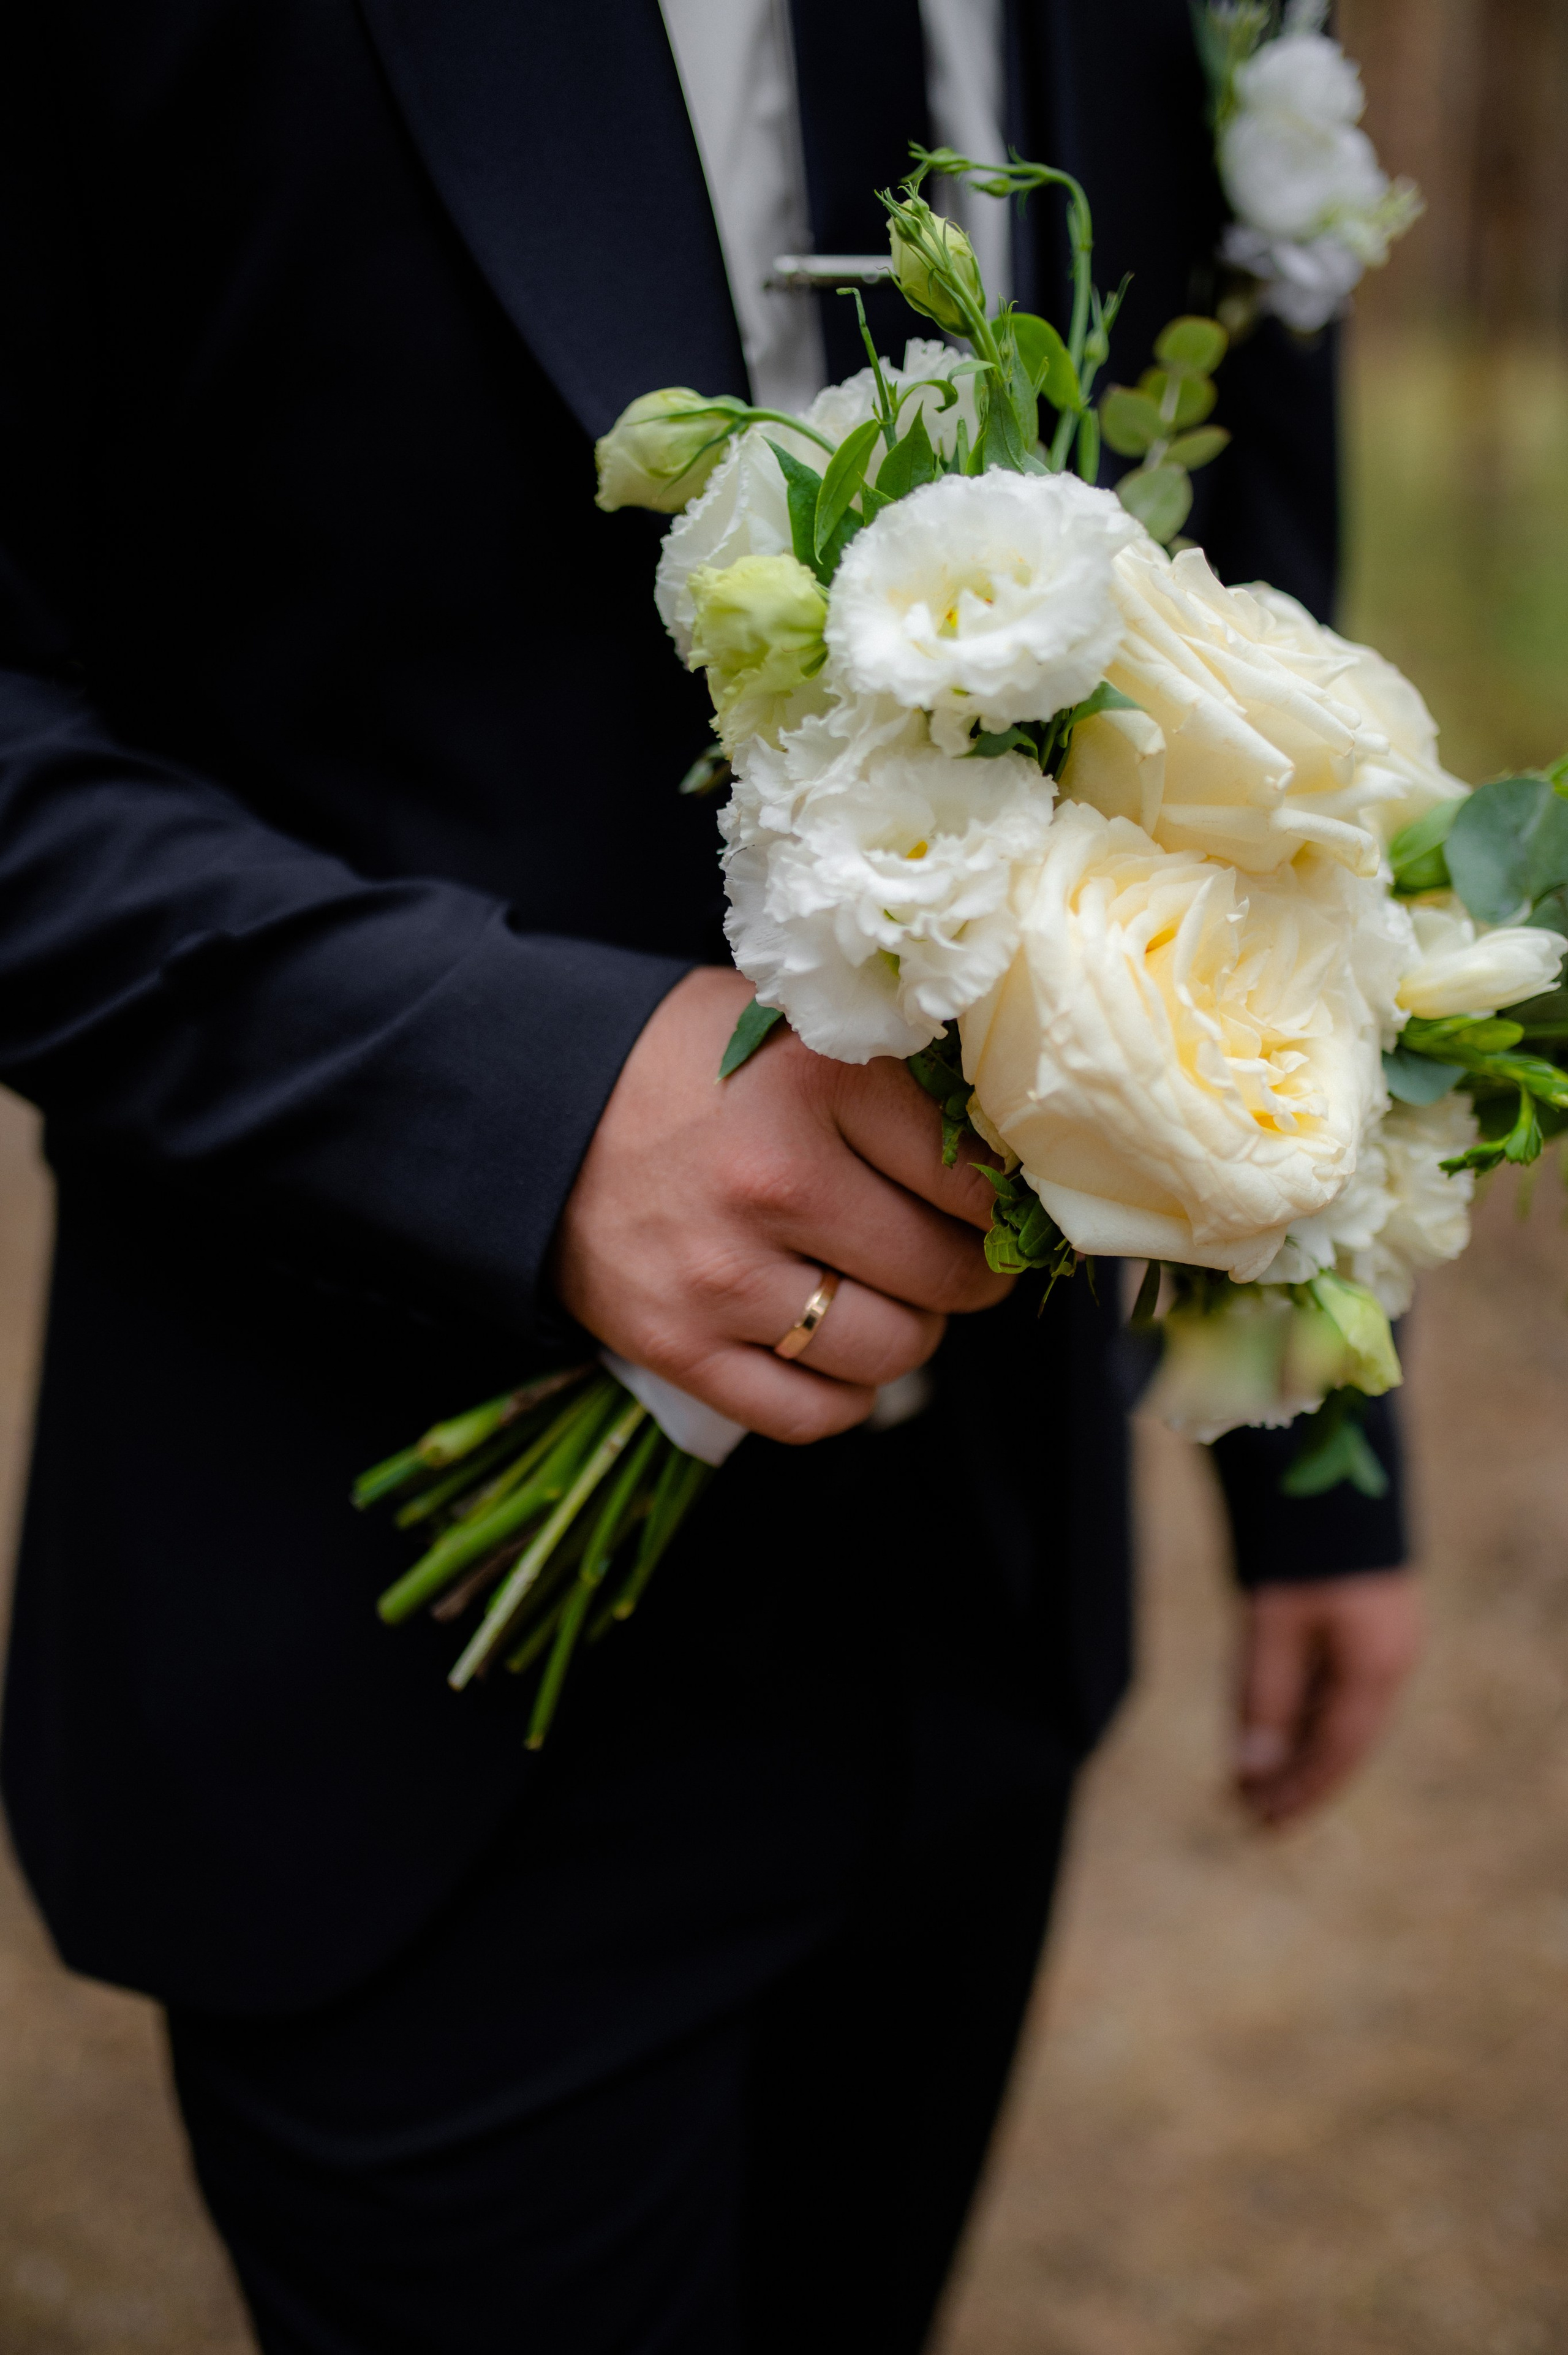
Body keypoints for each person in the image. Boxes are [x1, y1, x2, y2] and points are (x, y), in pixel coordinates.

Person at [0, 3, 1421, 2349]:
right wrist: (523, 1102)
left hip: (984, 1596)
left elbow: (1257, 576)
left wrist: (1317, 1445)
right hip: (405, 1651)